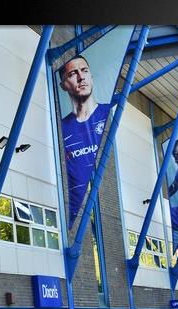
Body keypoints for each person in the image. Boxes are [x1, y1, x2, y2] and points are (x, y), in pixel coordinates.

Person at [59, 55, 112, 229]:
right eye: (73, 74)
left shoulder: (109, 113)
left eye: (85, 71)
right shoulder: (61, 128)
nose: (81, 77)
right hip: (74, 212)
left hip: (104, 210)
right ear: (64, 86)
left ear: (91, 77)